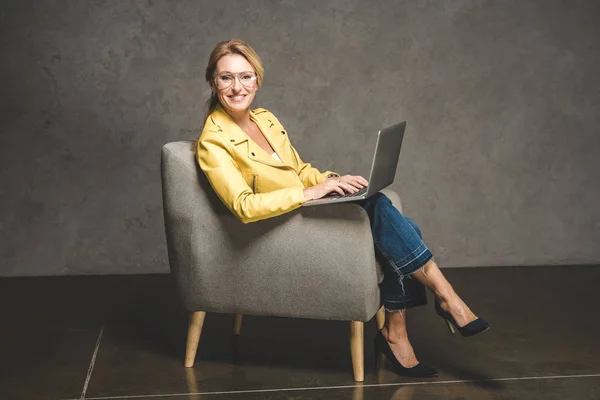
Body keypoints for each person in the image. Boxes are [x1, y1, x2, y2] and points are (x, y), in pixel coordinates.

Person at [194, 38, 489, 378]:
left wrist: (333, 181)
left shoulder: (265, 119)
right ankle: (443, 301)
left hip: (303, 210)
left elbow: (299, 171)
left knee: (384, 212)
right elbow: (244, 206)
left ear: (258, 80)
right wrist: (311, 194)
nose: (237, 87)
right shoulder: (213, 140)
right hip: (280, 227)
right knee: (390, 216)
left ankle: (402, 332)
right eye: (226, 78)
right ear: (213, 84)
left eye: (246, 77)